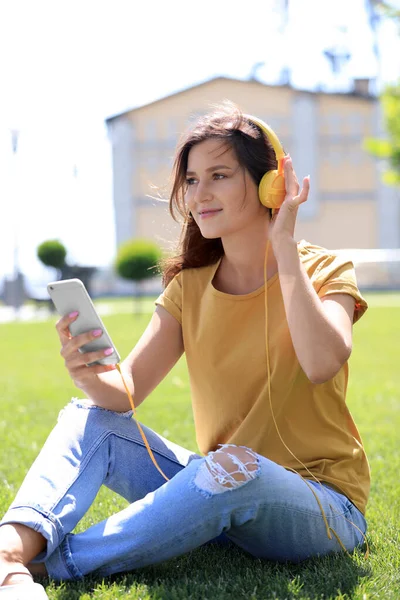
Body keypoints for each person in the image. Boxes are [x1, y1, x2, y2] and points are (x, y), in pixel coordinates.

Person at [0, 102, 370, 598]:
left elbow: (323, 362)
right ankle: (9, 554)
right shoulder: (189, 288)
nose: (200, 194)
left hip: (323, 507)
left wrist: (284, 246)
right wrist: (88, 373)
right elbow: (123, 394)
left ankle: (55, 563)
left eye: (219, 175)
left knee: (236, 465)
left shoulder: (325, 271)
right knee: (84, 418)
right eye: (192, 180)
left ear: (269, 185)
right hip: (220, 487)